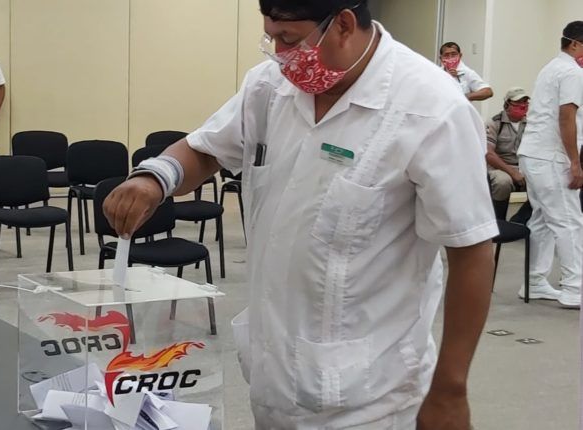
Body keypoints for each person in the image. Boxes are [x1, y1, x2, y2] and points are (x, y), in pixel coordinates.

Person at [104, 0, 498, 428]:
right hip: (272, 378)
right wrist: (156, 177)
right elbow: (207, 148)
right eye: (271, 37)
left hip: (372, 398)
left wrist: (450, 390)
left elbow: (471, 249)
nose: (280, 54)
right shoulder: (270, 86)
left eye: (289, 39)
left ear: (343, 24)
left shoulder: (431, 109)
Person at [517, 21, 583, 308]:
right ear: (575, 44)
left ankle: (534, 281)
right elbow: (566, 118)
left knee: (543, 220)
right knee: (569, 221)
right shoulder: (571, 72)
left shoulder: (551, 68)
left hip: (534, 155)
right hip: (550, 156)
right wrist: (575, 162)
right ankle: (574, 288)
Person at [486, 87, 530, 211]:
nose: (522, 106)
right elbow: (489, 153)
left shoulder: (531, 124)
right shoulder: (495, 123)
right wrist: (513, 173)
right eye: (518, 102)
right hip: (498, 168)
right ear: (507, 105)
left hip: (522, 167)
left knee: (542, 182)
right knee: (503, 182)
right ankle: (499, 217)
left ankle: (521, 218)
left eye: (525, 102)